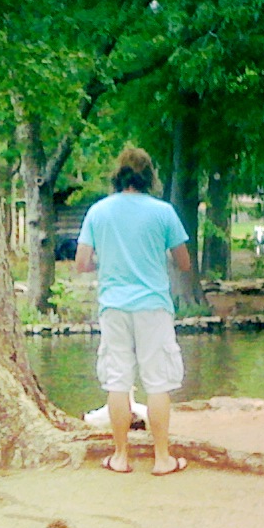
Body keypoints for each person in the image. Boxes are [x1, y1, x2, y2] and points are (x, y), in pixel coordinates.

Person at [75, 146, 192, 475]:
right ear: (149, 177)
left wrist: (109, 260)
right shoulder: (164, 212)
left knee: (117, 381)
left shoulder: (98, 212)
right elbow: (184, 262)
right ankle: (162, 458)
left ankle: (121, 456)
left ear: (118, 175)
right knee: (157, 384)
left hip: (114, 306)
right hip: (153, 306)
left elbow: (82, 263)